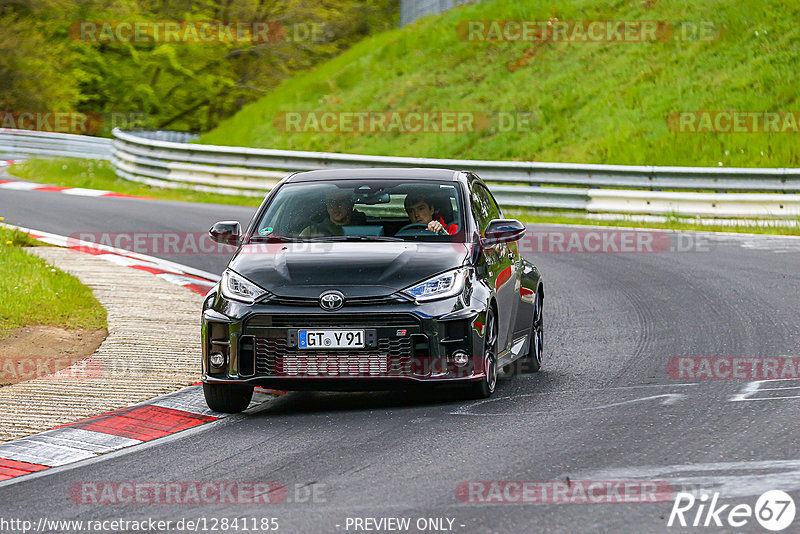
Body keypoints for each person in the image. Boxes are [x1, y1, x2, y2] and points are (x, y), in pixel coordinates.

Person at [300, 189, 366, 237]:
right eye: (331, 202)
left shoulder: (369, 229)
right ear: (326, 206)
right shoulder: (311, 231)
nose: (335, 206)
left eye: (341, 201)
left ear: (351, 204)